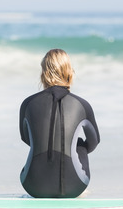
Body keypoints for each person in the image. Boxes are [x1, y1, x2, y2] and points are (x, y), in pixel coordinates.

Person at [19, 49, 100, 198]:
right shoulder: (82, 105)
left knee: (38, 144)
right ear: (69, 71)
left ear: (44, 73)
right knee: (80, 144)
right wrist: (75, 148)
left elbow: (26, 139)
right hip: (74, 186)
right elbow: (94, 143)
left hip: (32, 185)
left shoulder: (28, 104)